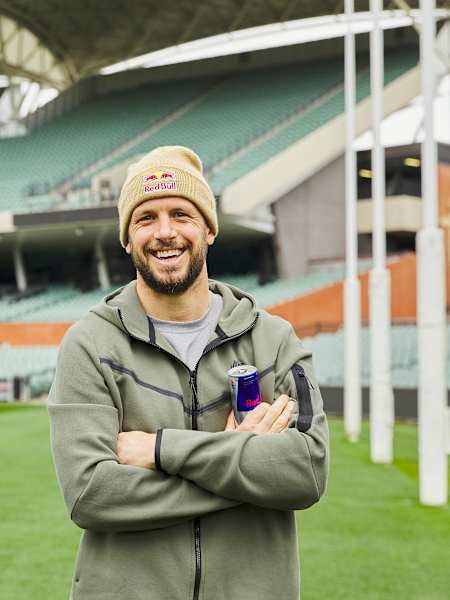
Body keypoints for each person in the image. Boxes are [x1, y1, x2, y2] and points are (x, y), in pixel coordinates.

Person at [48, 145, 329, 600]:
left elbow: (307, 473)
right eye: (145, 218)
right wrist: (244, 465)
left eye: (181, 214)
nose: (164, 233)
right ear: (126, 238)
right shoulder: (89, 343)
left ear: (208, 229)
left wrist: (161, 449)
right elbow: (90, 494)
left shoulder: (273, 340)